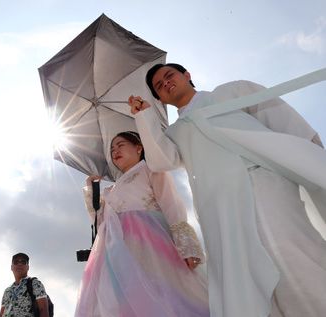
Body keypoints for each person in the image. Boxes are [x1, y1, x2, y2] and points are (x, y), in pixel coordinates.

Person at [128, 63, 326, 317]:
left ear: (187, 76)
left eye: (169, 76)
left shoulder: (231, 92)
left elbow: (281, 118)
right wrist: (143, 117)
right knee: (244, 280)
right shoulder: (175, 132)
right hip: (220, 209)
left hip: (262, 182)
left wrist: (312, 154)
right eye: (158, 87)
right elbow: (161, 160)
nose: (165, 83)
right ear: (160, 99)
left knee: (290, 251)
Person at [74, 131, 209, 317]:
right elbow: (100, 223)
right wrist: (92, 190)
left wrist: (187, 246)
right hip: (116, 253)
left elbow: (171, 204)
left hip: (149, 245)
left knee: (164, 294)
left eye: (121, 145)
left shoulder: (150, 168)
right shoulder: (110, 189)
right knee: (125, 299)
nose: (115, 151)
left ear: (139, 148)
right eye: (112, 149)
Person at [0, 253, 50, 317]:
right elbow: (1, 314)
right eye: (16, 262)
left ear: (27, 267)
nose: (19, 264)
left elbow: (43, 310)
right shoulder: (7, 291)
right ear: (12, 267)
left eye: (23, 262)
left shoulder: (35, 284)